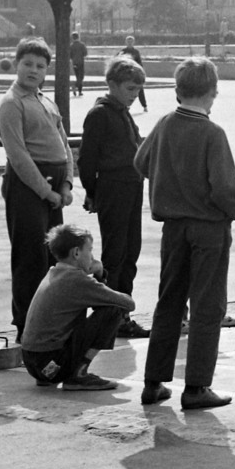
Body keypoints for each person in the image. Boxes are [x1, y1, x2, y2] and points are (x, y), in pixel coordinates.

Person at [134, 57, 235, 410]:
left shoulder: (165, 123)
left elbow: (140, 162)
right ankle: (197, 386)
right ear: (212, 92)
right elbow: (224, 189)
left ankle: (153, 381)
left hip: (173, 227)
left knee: (169, 302)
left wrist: (170, 180)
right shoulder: (213, 134)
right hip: (209, 229)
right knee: (206, 305)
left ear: (178, 89)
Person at [0, 37, 75, 339]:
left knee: (54, 258)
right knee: (30, 258)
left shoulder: (46, 101)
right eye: (27, 64)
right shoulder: (11, 105)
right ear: (17, 65)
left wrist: (67, 183)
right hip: (28, 188)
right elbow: (18, 156)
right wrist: (46, 191)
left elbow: (64, 144)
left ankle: (50, 322)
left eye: (40, 66)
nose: (33, 70)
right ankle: (26, 327)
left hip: (55, 188)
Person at [78, 55, 150, 339]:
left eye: (137, 90)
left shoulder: (122, 111)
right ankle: (109, 315)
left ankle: (123, 312)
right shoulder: (100, 114)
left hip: (131, 187)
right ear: (112, 84)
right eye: (130, 89)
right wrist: (92, 192)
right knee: (116, 254)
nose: (134, 96)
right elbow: (87, 160)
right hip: (113, 188)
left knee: (131, 251)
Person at [19, 224, 133, 392]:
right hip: (52, 364)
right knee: (114, 311)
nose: (92, 256)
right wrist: (100, 272)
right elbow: (128, 303)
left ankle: (55, 376)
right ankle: (78, 375)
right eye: (90, 250)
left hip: (34, 365)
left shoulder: (54, 272)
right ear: (76, 253)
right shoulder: (78, 280)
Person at [122, 35, 148, 112]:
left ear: (133, 42)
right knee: (125, 90)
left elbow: (139, 63)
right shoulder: (123, 52)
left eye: (131, 42)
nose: (130, 43)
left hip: (135, 73)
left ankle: (144, 105)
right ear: (126, 42)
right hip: (126, 74)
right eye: (128, 42)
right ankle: (125, 105)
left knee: (140, 89)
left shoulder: (136, 52)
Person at [69, 31, 89, 97]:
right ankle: (78, 90)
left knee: (78, 76)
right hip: (81, 63)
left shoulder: (71, 46)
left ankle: (77, 89)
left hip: (74, 63)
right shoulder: (82, 45)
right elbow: (85, 53)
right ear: (78, 37)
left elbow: (70, 55)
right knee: (81, 77)